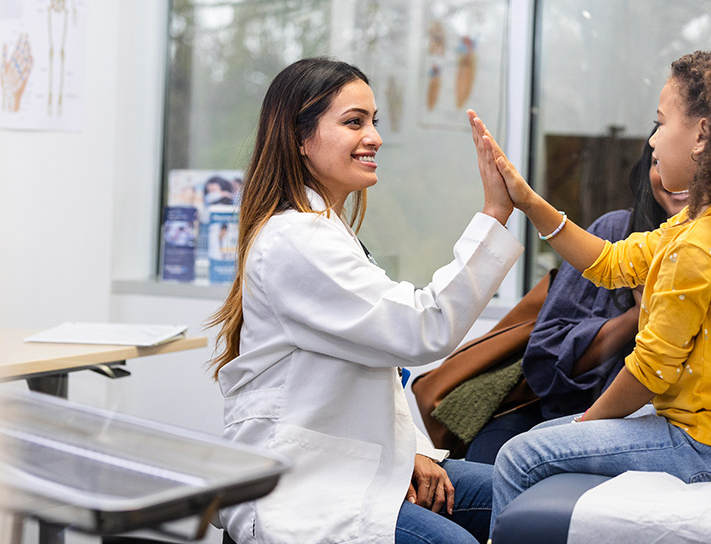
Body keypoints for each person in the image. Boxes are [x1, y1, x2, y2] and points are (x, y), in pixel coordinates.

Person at [470, 35, 711, 533]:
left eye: (660, 123)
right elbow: (612, 263)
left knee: (520, 457)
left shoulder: (697, 247)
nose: (653, 140)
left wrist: (587, 423)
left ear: (702, 135)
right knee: (544, 437)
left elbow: (650, 371)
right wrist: (528, 202)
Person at [208, 57, 522, 543]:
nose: (374, 136)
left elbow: (376, 368)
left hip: (358, 466)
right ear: (299, 137)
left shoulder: (326, 231)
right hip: (304, 485)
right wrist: (495, 213)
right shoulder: (297, 240)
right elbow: (422, 329)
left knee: (523, 497)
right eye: (354, 122)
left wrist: (413, 450)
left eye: (374, 121)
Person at [464, 122, 691, 464]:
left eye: (691, 165)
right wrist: (636, 314)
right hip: (557, 407)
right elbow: (543, 359)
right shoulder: (616, 233)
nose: (676, 178)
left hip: (644, 426)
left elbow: (656, 372)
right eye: (657, 162)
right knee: (490, 467)